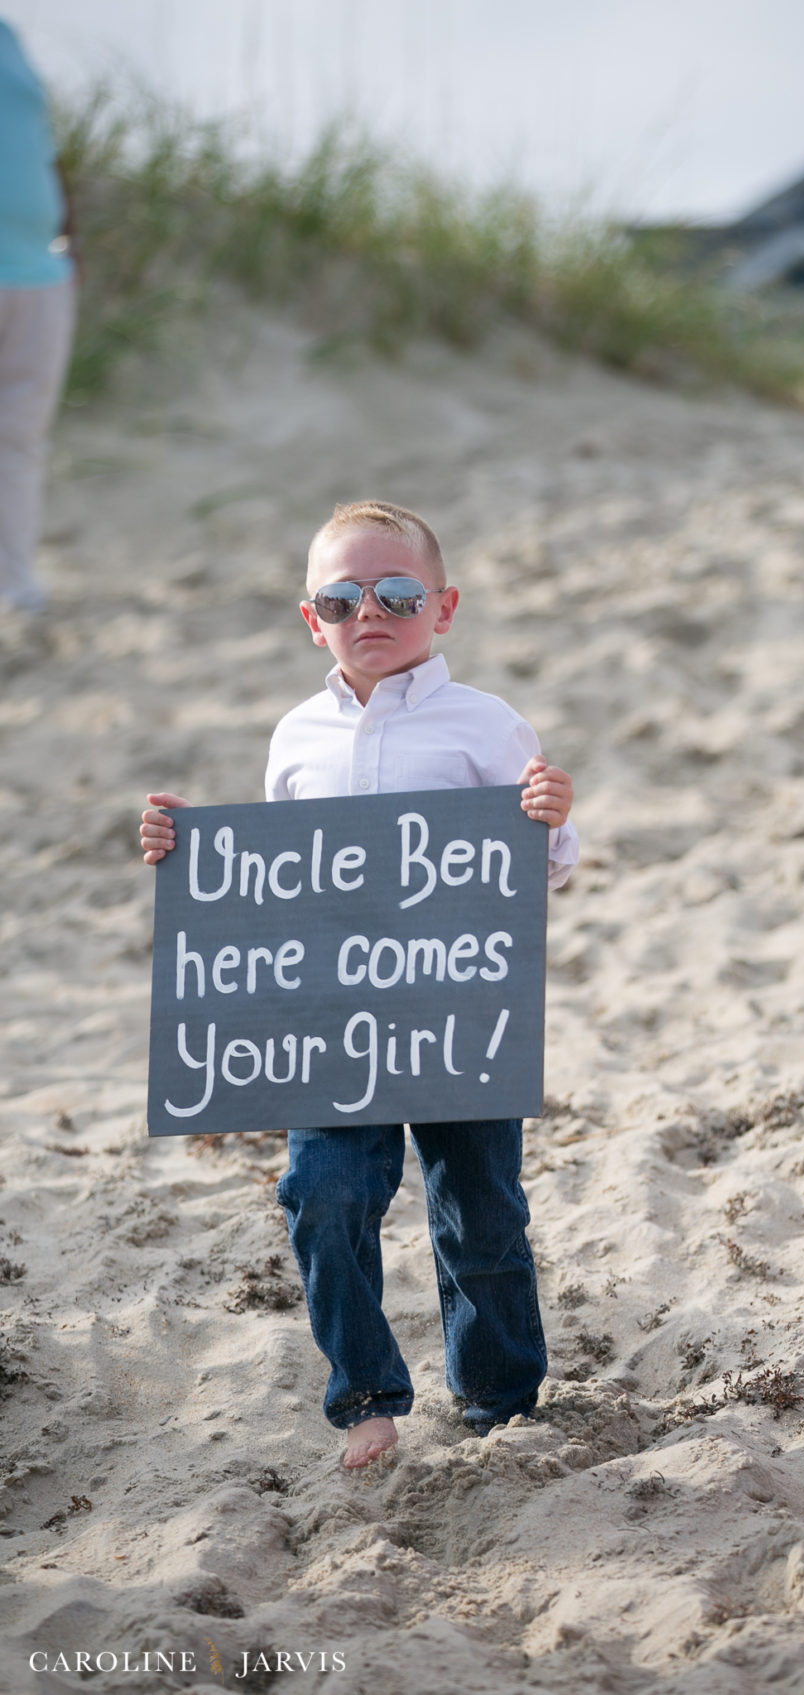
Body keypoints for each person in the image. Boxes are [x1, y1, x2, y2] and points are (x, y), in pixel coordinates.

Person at [139, 499, 578, 1468]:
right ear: (311, 618)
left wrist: (546, 816)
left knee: (482, 1214)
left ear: (443, 607)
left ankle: (498, 1399)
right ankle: (367, 1393)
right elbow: (266, 882)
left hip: (457, 1013)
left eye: (394, 593)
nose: (367, 613)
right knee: (319, 1194)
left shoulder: (486, 725)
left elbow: (536, 869)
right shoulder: (296, 735)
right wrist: (182, 850)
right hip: (331, 1020)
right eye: (340, 598)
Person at [0, 17, 77, 613]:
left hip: (41, 272)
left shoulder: (10, 37)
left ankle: (13, 589)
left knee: (19, 441)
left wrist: (66, 233)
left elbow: (38, 146)